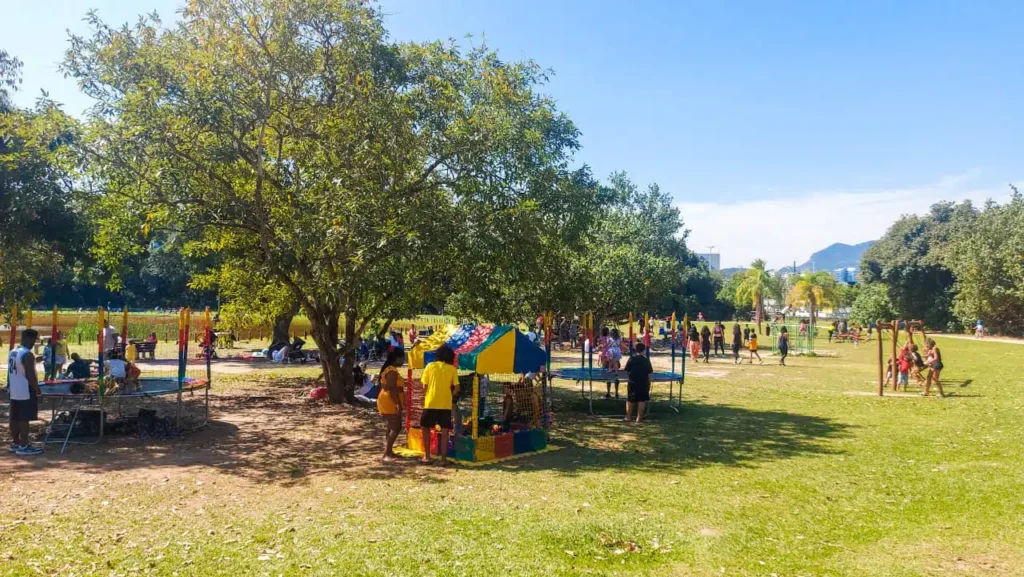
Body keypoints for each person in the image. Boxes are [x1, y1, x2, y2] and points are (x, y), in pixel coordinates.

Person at [420, 344, 458, 465]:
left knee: (425, 428)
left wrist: (429, 394)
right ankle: (443, 459)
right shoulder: (452, 369)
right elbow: (457, 387)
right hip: (445, 404)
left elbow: (424, 386)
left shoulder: (430, 366)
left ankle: (427, 456)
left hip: (430, 402)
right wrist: (449, 395)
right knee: (445, 430)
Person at [8, 329, 43, 455]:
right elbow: (30, 375)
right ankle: (24, 445)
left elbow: (18, 367)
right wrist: (37, 389)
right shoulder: (28, 354)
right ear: (28, 338)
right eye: (34, 340)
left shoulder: (13, 351)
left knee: (15, 417)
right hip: (25, 390)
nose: (34, 343)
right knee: (24, 419)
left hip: (14, 390)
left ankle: (16, 443)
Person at [376, 347, 406, 461]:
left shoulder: (389, 369)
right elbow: (392, 389)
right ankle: (387, 453)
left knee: (391, 426)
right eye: (403, 358)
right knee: (396, 427)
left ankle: (389, 451)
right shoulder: (391, 371)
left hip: (388, 399)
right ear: (397, 358)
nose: (403, 361)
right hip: (390, 401)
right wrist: (398, 404)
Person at [624, 343, 653, 423]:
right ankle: (639, 418)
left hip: (632, 382)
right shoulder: (646, 360)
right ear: (644, 350)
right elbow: (649, 373)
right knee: (642, 400)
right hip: (643, 382)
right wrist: (649, 382)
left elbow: (627, 370)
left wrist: (630, 377)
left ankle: (628, 416)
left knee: (630, 400)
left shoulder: (631, 359)